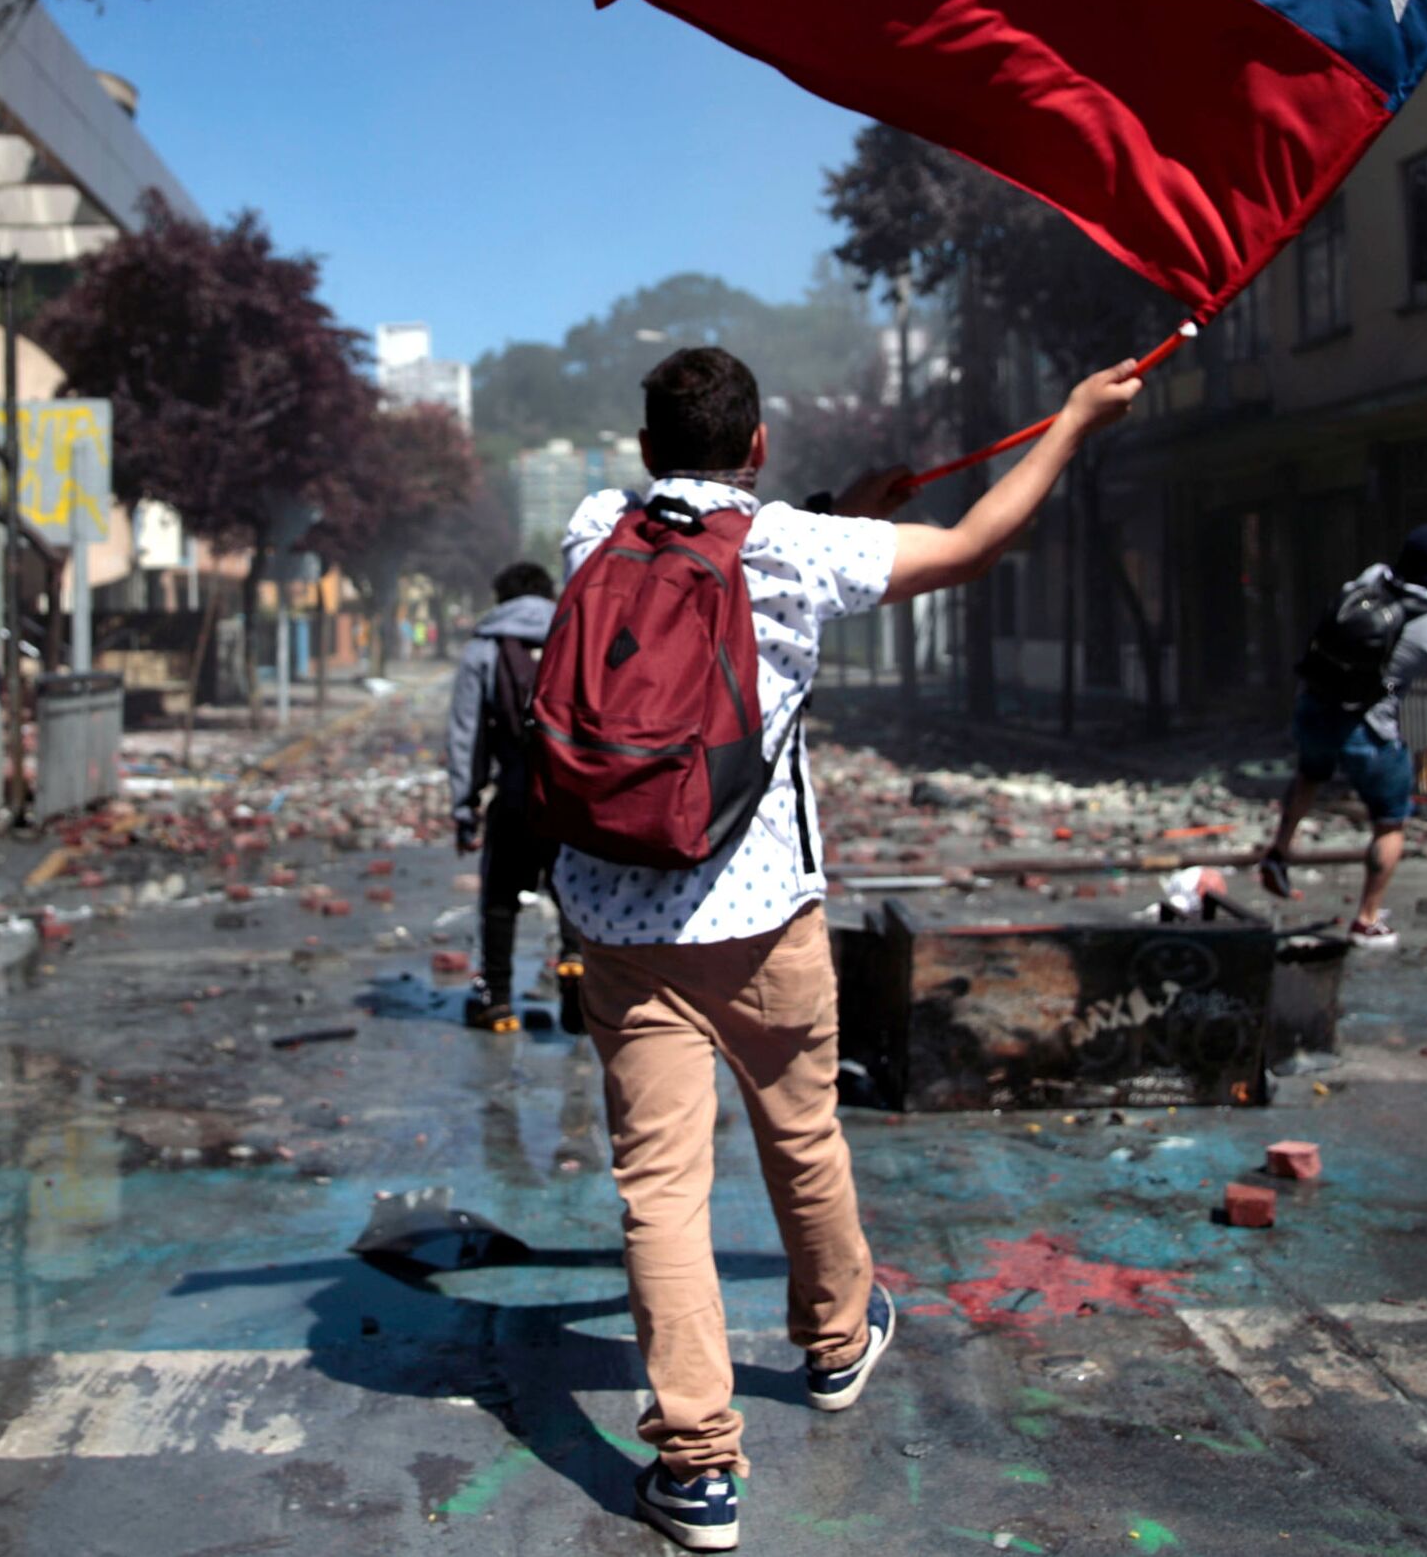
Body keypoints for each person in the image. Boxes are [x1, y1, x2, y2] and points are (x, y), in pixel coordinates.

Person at [553, 344, 1143, 1552]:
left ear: (648, 446)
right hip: (763, 915)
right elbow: (971, 544)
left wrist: (846, 510)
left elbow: (699, 541)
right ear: (759, 444)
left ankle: (697, 1468)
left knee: (660, 1192)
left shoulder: (591, 530)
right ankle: (833, 1343)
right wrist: (1074, 420)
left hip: (620, 921)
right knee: (802, 1133)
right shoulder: (795, 549)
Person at [1259, 521, 1427, 949]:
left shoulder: (1371, 579)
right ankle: (1367, 921)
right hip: (1370, 726)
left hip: (1316, 705)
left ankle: (1278, 853)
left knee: (1310, 776)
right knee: (1390, 821)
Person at [445, 560, 580, 1032]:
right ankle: (577, 969)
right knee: (574, 887)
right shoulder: (577, 632)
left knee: (501, 896)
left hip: (517, 791)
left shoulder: (484, 648)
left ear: (501, 598)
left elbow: (465, 734)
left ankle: (498, 1001)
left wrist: (465, 807)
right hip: (574, 792)